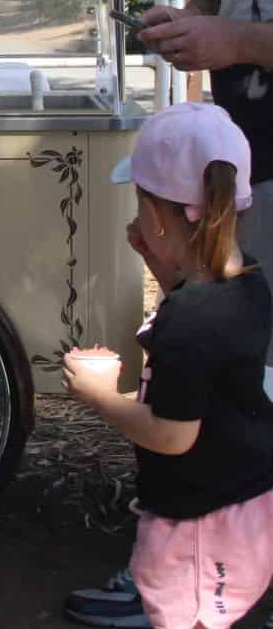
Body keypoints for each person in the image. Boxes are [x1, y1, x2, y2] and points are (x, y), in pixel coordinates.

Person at [66, 0, 273, 629]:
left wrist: (235, 44)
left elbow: (245, 24)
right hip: (245, 159)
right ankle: (202, 549)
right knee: (232, 372)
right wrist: (188, 18)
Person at [63, 102, 273, 629]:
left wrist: (101, 397)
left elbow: (173, 435)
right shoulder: (249, 283)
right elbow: (208, 346)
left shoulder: (187, 319)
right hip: (245, 503)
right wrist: (159, 263)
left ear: (155, 214)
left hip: (196, 524)